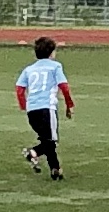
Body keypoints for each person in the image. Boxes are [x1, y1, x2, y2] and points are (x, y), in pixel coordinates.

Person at [16, 36, 73, 182]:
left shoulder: (29, 69)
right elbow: (64, 86)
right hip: (47, 108)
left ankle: (55, 170)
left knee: (48, 141)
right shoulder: (55, 66)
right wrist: (69, 104)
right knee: (51, 141)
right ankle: (33, 152)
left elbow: (20, 88)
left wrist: (24, 105)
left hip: (32, 110)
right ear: (52, 53)